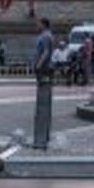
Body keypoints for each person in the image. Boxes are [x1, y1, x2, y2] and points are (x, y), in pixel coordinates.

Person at [32, 17, 54, 150]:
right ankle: (42, 136)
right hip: (43, 68)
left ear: (44, 24)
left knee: (43, 99)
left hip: (44, 68)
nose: (36, 25)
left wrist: (39, 64)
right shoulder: (45, 35)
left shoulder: (46, 36)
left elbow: (46, 51)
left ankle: (41, 139)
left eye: (38, 23)